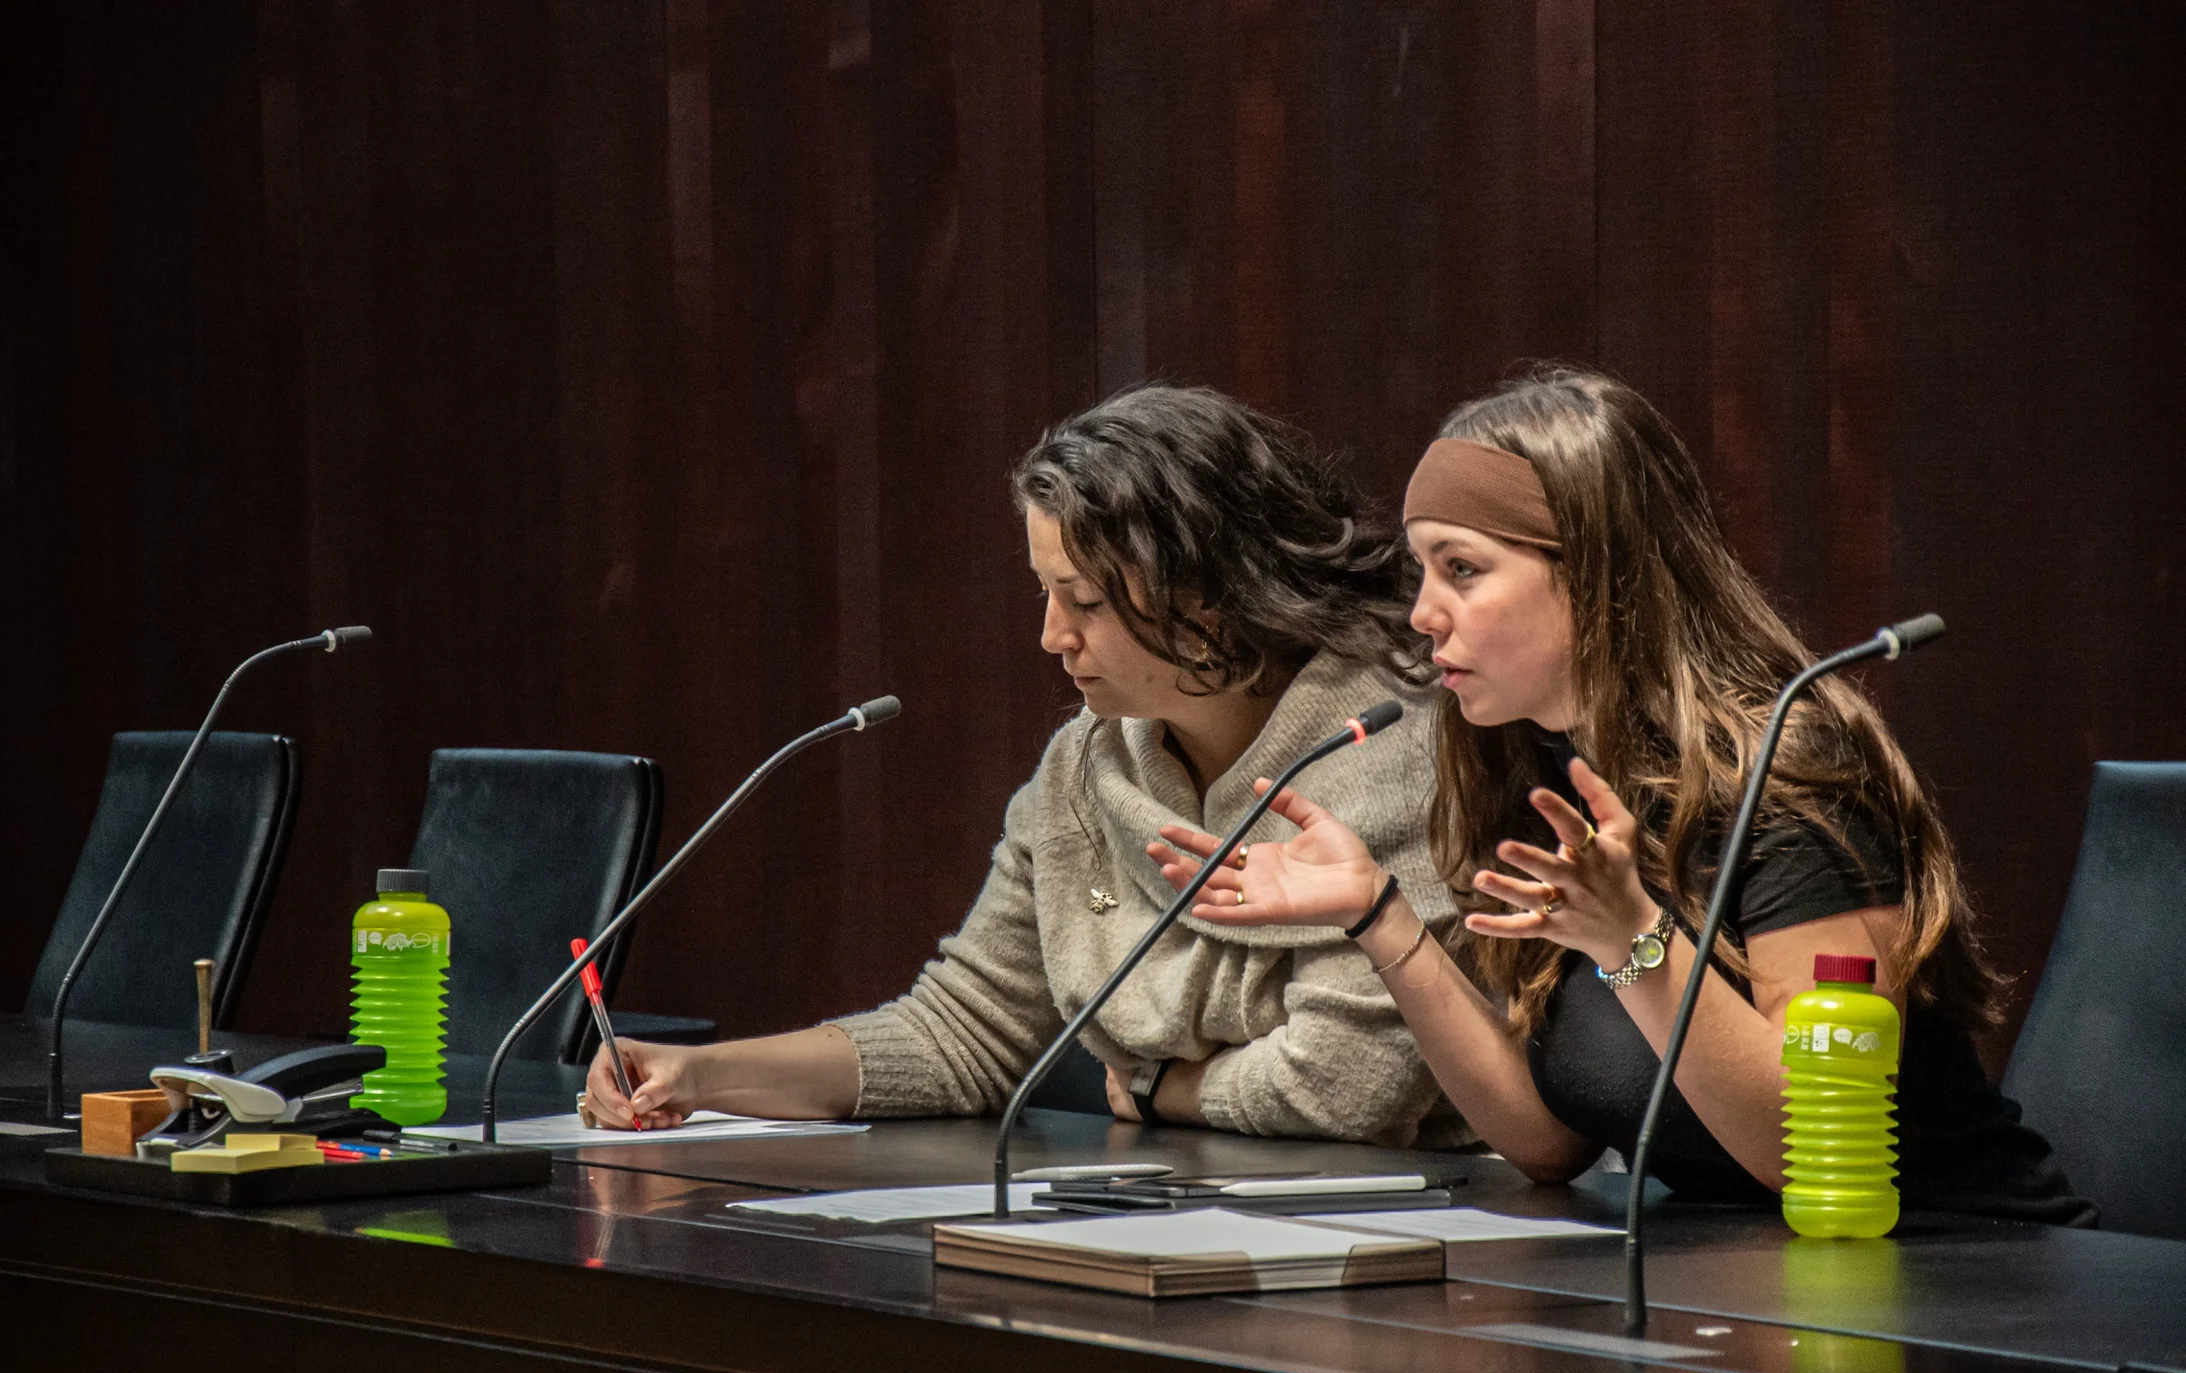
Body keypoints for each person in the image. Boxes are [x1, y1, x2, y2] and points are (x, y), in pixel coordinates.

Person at [1152, 366, 2093, 1221]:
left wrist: (1631, 939)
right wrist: (1378, 917)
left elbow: (1810, 1147)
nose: (1423, 611)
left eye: (1463, 569)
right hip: (1748, 1287)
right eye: (1424, 569)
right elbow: (1544, 1138)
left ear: (1595, 577)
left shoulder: (1788, 770)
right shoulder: (1535, 767)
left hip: (1958, 1274)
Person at [585, 384, 1465, 1146]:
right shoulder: (1087, 765)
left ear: (1213, 597)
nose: (1051, 636)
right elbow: (963, 1032)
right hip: (1185, 1207)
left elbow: (1347, 1086)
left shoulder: (1388, 747)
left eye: (1083, 600)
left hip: (1427, 1236)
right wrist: (698, 1078)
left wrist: (1163, 1091)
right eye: (1045, 593)